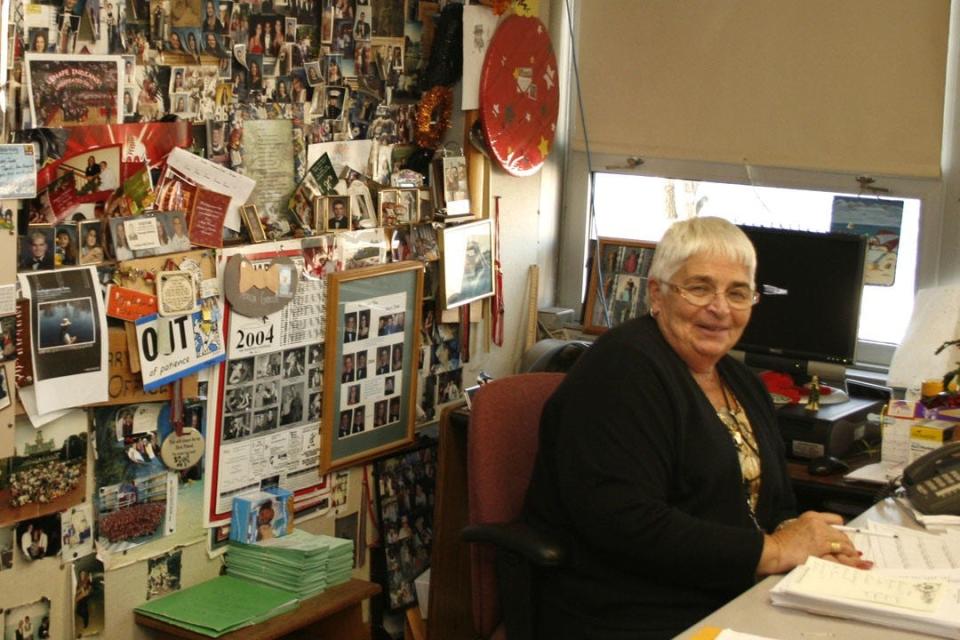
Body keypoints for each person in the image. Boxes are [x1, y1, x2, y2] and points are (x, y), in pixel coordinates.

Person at [522, 217, 869, 639]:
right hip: (634, 612)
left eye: (738, 293)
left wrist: (803, 541)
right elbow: (630, 525)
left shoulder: (738, 380)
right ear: (657, 293)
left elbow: (776, 501)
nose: (721, 308)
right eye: (700, 288)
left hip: (731, 596)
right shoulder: (621, 370)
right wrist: (775, 550)